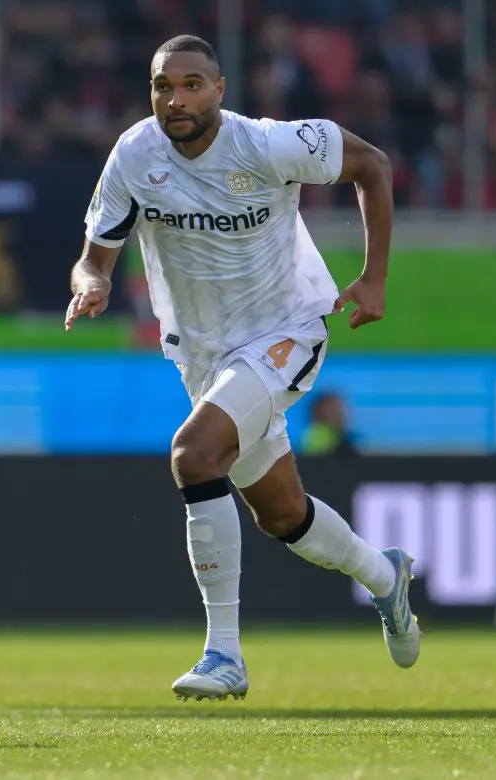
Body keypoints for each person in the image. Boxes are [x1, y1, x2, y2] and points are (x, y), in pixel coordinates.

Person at [65, 35, 419, 702]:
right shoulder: (135, 155)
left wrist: (373, 279)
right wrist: (92, 283)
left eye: (193, 84)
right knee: (283, 515)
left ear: (220, 91)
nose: (177, 99)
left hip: (284, 332)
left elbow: (372, 164)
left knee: (194, 456)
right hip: (203, 354)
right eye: (164, 86)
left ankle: (223, 654)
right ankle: (384, 576)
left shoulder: (269, 145)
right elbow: (96, 254)